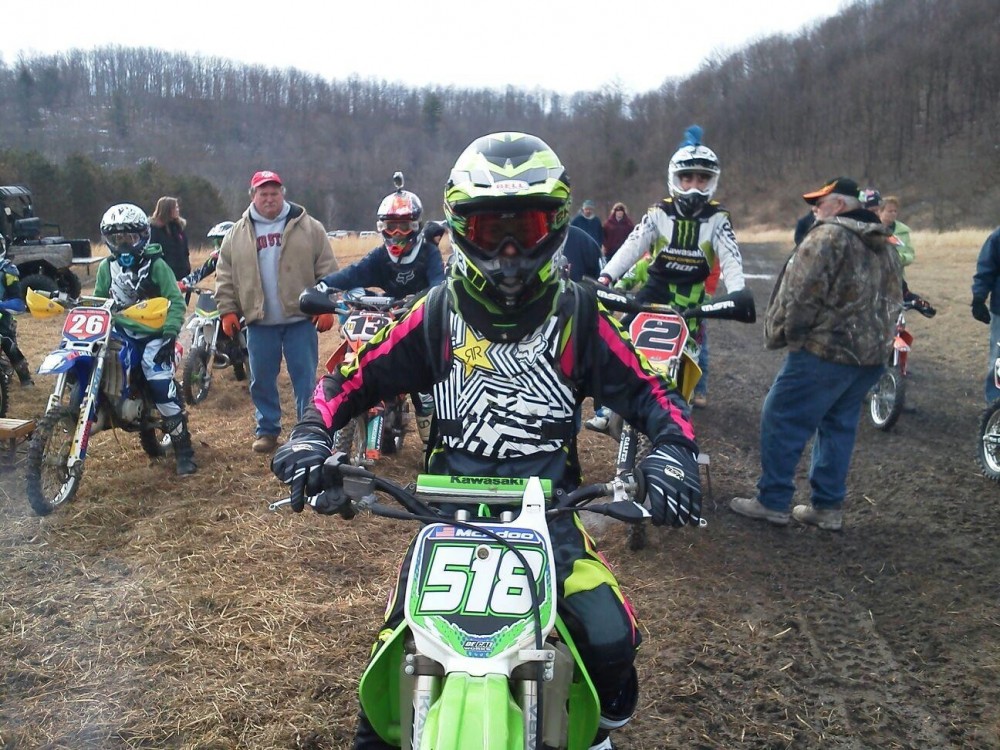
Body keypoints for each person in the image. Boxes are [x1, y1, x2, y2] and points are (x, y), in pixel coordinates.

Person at [270, 131, 704, 750]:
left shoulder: (579, 314)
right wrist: (311, 435)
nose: (508, 251)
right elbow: (348, 376)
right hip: (445, 521)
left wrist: (674, 454)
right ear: (459, 227)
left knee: (610, 641)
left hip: (550, 519)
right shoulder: (434, 313)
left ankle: (597, 737)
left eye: (525, 228)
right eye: (488, 229)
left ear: (554, 225)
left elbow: (654, 391)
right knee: (386, 682)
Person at [730, 177, 902, 531]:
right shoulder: (885, 244)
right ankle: (827, 507)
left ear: (839, 205)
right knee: (838, 425)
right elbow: (894, 299)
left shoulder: (828, 236)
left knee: (781, 415)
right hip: (869, 357)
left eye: (819, 203)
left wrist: (791, 336)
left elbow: (800, 294)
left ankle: (773, 501)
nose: (814, 209)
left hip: (825, 350)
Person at [587, 125, 745, 429]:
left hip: (692, 300)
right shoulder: (659, 212)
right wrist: (607, 276)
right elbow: (633, 245)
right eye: (687, 178)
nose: (694, 186)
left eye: (702, 179)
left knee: (687, 362)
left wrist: (738, 292)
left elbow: (731, 257)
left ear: (712, 180)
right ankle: (608, 410)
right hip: (654, 293)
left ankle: (678, 420)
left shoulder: (718, 218)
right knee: (618, 344)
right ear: (675, 178)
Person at [310, 182, 445, 443]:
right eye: (390, 226)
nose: (397, 233)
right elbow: (353, 273)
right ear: (381, 227)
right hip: (389, 313)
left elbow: (439, 283)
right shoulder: (380, 256)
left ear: (415, 226)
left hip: (419, 319)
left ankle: (431, 446)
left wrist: (424, 298)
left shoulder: (427, 253)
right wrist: (323, 287)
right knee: (362, 359)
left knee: (424, 389)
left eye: (403, 226)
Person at [215, 170, 338, 453]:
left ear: (283, 193)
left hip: (300, 320)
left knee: (305, 380)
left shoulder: (309, 227)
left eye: (274, 193)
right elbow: (225, 276)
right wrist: (227, 311)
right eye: (263, 193)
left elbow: (327, 269)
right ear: (253, 196)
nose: (269, 198)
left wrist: (326, 305)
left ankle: (308, 430)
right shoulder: (236, 234)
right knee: (261, 380)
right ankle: (267, 430)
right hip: (259, 322)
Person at [93, 203, 197, 475]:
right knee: (95, 358)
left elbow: (175, 301)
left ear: (143, 236)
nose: (124, 244)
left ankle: (184, 450)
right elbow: (99, 300)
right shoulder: (106, 267)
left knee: (158, 379)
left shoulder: (156, 265)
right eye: (117, 238)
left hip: (155, 333)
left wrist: (169, 334)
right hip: (121, 331)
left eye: (130, 237)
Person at [0, 236, 34, 386]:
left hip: (2, 319)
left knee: (7, 342)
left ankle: (25, 377)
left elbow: (19, 304)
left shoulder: (7, 271)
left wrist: (1, 305)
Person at [972, 227, 1000, 403]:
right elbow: (986, 270)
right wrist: (978, 298)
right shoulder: (997, 237)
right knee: (999, 360)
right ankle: (995, 406)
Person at [178, 220, 235, 292]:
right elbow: (200, 272)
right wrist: (183, 283)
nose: (219, 245)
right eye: (217, 242)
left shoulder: (243, 258)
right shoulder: (216, 259)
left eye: (222, 242)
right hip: (224, 295)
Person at [149, 196, 191, 281]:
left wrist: (187, 269)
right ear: (167, 210)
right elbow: (153, 253)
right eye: (175, 208)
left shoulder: (178, 227)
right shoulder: (154, 229)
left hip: (182, 275)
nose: (178, 210)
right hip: (164, 276)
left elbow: (185, 251)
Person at [878, 195, 915, 273]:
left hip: (896, 275)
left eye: (895, 211)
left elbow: (910, 255)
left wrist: (899, 258)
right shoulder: (871, 229)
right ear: (880, 212)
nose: (893, 213)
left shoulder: (903, 231)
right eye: (890, 211)